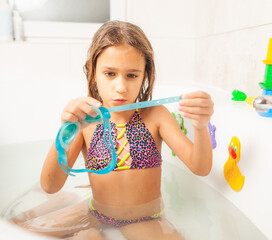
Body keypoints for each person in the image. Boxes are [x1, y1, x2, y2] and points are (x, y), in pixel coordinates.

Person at [15, 20, 213, 239]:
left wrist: (201, 125)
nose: (121, 87)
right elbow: (50, 185)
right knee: (17, 230)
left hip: (145, 219)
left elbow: (200, 167)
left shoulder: (156, 116)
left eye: (132, 75)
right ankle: (77, 217)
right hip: (95, 211)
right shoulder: (85, 122)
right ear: (93, 71)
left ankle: (84, 227)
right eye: (110, 74)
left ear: (144, 74)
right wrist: (67, 129)